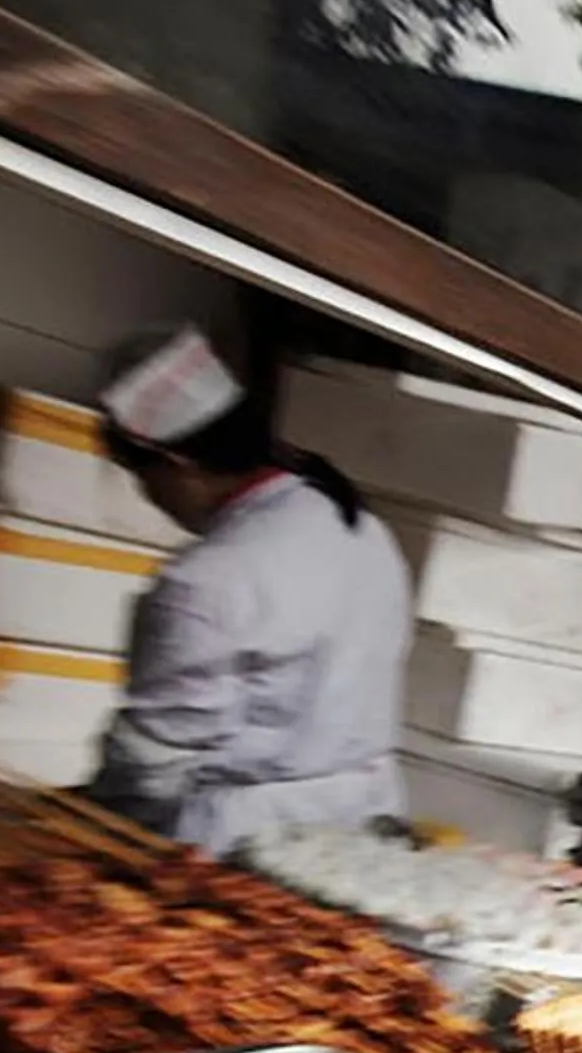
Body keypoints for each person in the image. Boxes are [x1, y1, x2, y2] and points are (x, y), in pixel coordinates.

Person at [87, 325, 412, 854]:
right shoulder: (358, 526)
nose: (150, 498)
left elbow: (154, 757)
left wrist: (97, 818)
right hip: (365, 835)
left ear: (178, 464)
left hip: (247, 850)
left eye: (141, 478)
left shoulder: (206, 580)